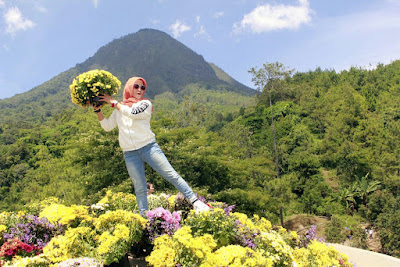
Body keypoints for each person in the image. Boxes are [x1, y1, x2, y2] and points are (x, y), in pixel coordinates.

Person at [93, 76, 210, 216]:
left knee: (171, 174)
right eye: (136, 86)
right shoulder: (119, 109)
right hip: (129, 153)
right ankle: (144, 218)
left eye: (143, 87)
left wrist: (113, 102)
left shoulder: (145, 104)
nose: (140, 90)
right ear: (129, 87)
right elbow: (107, 126)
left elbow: (132, 113)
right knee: (140, 187)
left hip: (148, 147)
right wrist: (98, 111)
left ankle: (196, 202)